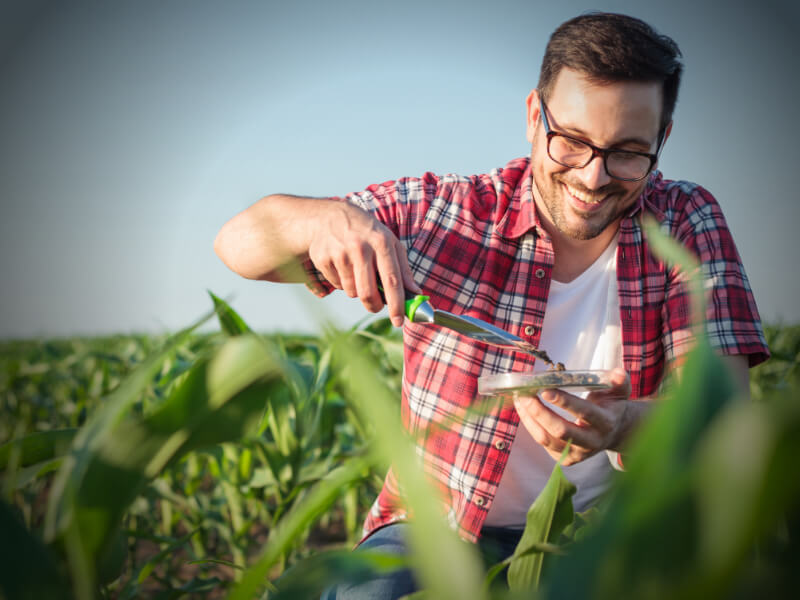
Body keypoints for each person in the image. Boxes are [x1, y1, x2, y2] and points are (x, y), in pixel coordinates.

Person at [214, 12, 769, 599]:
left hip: (613, 530)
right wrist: (323, 219)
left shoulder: (684, 222)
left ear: (663, 140)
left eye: (629, 152)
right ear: (534, 115)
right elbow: (237, 244)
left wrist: (624, 425)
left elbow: (722, 412)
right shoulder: (446, 213)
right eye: (571, 141)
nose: (593, 177)